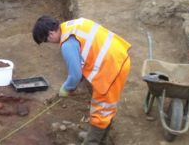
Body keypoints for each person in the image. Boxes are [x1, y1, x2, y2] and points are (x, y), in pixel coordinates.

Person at [32, 16, 131, 145]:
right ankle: (101, 139)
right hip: (118, 57)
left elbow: (75, 75)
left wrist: (67, 88)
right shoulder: (71, 26)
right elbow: (83, 58)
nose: (50, 43)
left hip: (111, 69)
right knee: (106, 107)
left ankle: (92, 141)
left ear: (50, 34)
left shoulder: (67, 44)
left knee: (100, 110)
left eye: (46, 40)